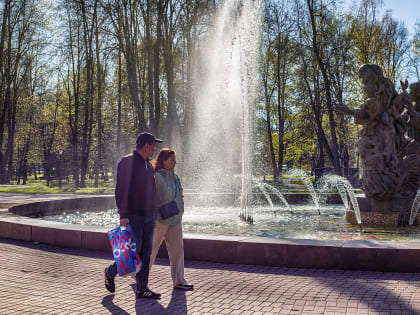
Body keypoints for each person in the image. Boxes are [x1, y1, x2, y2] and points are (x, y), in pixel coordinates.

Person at [105, 132, 163, 299]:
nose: (154, 149)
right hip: (134, 216)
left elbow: (152, 191)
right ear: (146, 146)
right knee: (132, 254)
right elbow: (121, 189)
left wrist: (155, 212)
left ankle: (142, 288)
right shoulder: (127, 162)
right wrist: (123, 214)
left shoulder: (147, 164)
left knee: (146, 254)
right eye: (153, 146)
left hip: (148, 216)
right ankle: (110, 271)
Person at [149, 148, 193, 290]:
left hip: (175, 220)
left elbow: (180, 195)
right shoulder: (155, 176)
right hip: (159, 221)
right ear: (164, 161)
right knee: (151, 251)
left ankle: (179, 280)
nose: (175, 162)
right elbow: (151, 199)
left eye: (175, 160)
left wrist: (181, 207)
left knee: (177, 251)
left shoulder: (176, 178)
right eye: (172, 160)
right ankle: (140, 276)